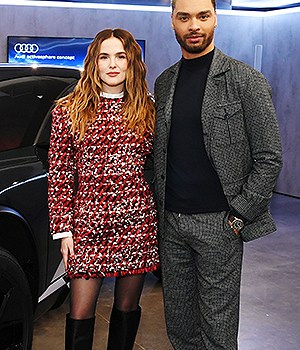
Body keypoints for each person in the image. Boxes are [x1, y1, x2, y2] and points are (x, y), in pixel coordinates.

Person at [153, 0, 282, 349]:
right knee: (180, 328)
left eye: (202, 16)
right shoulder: (164, 82)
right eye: (184, 17)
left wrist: (240, 214)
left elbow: (269, 156)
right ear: (173, 22)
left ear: (215, 19)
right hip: (172, 224)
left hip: (220, 223)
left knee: (218, 333)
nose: (193, 25)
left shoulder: (245, 80)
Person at [48, 28, 159, 350]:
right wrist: (62, 230)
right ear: (94, 63)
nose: (112, 64)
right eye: (104, 57)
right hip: (86, 225)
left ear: (132, 63)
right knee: (80, 310)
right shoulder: (68, 110)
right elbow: (60, 172)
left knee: (127, 308)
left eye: (120, 56)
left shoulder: (148, 110)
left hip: (136, 225)